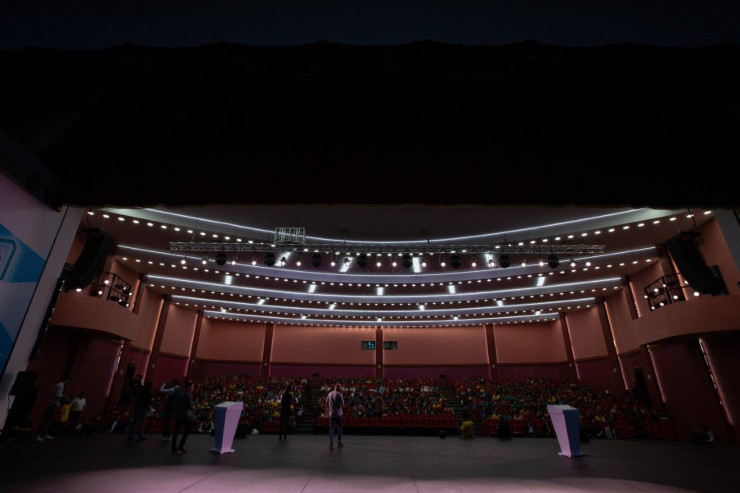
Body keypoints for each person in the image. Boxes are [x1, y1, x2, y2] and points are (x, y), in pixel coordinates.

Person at [35, 376, 69, 441]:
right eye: (68, 380)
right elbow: (58, 395)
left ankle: (44, 434)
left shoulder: (57, 385)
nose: (68, 382)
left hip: (51, 404)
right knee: (47, 421)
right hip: (54, 405)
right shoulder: (61, 385)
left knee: (48, 421)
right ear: (66, 379)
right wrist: (64, 396)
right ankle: (38, 435)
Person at [172, 380, 195, 455]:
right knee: (186, 432)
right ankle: (180, 447)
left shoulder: (180, 393)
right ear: (188, 387)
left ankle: (173, 448)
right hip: (186, 416)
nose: (193, 388)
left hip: (178, 414)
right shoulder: (189, 394)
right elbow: (191, 406)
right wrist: (193, 407)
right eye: (192, 387)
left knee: (175, 432)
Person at [326, 383, 344, 450]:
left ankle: (331, 444)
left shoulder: (330, 394)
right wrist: (342, 401)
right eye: (340, 387)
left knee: (331, 429)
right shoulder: (340, 394)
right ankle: (339, 443)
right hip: (339, 414)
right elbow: (343, 405)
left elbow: (326, 403)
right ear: (339, 388)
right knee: (339, 428)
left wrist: (326, 411)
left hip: (332, 415)